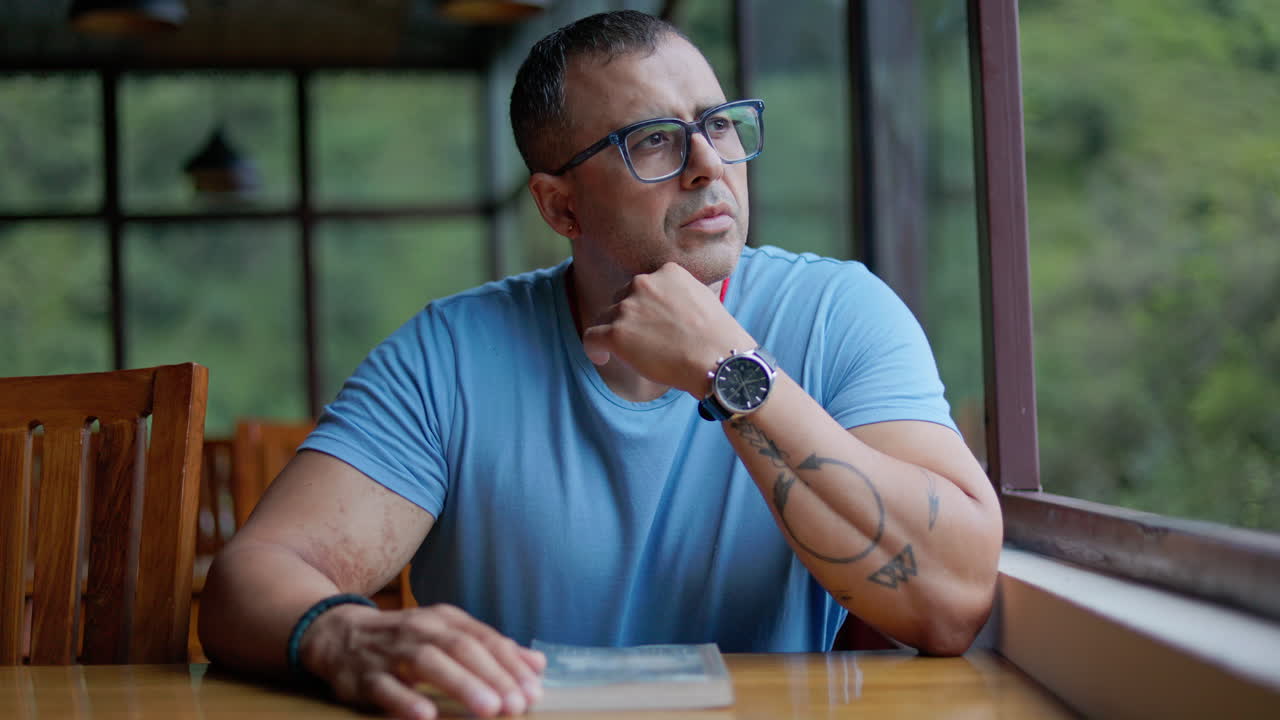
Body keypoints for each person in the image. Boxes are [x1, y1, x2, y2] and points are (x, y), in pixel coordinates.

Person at [200, 9, 1002, 720]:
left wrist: (726, 366)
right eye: (653, 140)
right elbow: (248, 583)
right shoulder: (449, 354)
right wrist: (345, 634)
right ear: (559, 206)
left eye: (718, 124)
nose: (707, 164)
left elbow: (954, 601)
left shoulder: (838, 313)